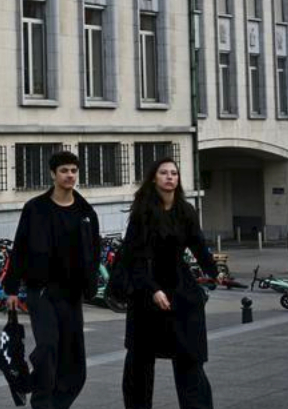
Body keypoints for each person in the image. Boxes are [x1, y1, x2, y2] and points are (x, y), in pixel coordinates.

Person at [5, 150, 101, 409]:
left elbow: (95, 250)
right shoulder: (35, 208)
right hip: (42, 292)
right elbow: (20, 248)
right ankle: (41, 400)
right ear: (53, 174)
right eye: (64, 171)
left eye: (73, 170)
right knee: (47, 348)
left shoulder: (86, 212)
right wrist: (11, 289)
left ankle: (58, 403)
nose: (69, 175)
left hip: (72, 295)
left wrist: (91, 284)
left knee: (74, 360)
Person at [120, 157, 217, 409]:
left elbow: (198, 244)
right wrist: (152, 290)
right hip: (146, 289)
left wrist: (214, 271)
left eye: (174, 173)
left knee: (189, 355)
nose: (170, 177)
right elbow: (133, 257)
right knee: (140, 359)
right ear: (154, 178)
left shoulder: (186, 210)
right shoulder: (142, 213)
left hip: (179, 286)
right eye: (164, 173)